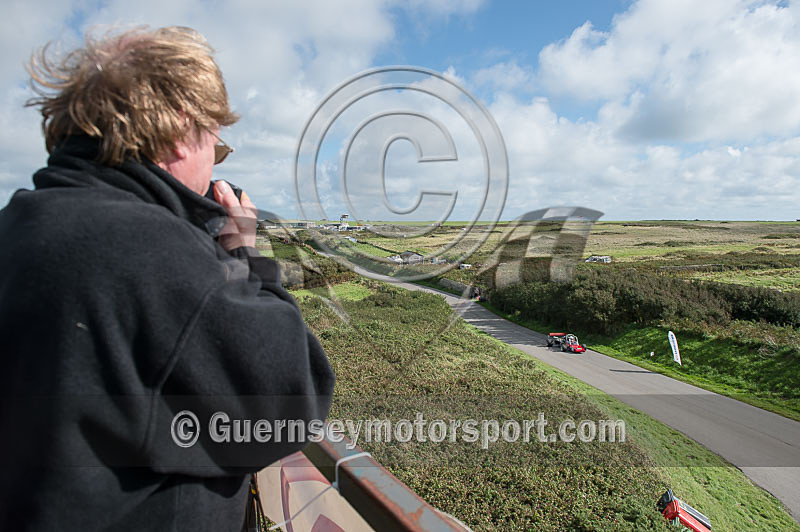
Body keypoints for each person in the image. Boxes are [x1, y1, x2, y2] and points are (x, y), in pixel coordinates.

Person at [0, 26, 334, 531]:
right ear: (182, 130)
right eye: (217, 150)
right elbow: (295, 400)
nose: (215, 167)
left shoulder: (16, 225)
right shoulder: (153, 252)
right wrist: (245, 255)